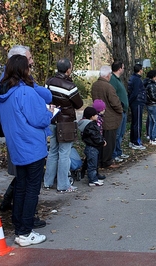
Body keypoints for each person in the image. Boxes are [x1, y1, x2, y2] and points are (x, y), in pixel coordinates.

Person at [0, 54, 51, 247]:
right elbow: (40, 119)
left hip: (17, 146)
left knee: (21, 187)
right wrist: (49, 113)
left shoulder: (3, 93)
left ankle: (19, 226)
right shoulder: (25, 92)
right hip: (32, 145)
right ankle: (25, 231)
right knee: (31, 190)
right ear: (23, 69)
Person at [43, 58, 83, 193]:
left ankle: (47, 182)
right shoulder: (70, 87)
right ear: (68, 70)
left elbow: (46, 98)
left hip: (52, 120)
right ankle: (63, 185)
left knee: (53, 152)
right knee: (64, 154)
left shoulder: (49, 82)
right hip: (66, 124)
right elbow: (79, 104)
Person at [91, 65, 123, 168]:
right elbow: (115, 102)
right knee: (109, 141)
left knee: (100, 140)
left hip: (98, 116)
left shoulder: (94, 85)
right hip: (110, 118)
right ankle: (107, 162)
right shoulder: (108, 87)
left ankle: (99, 160)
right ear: (108, 75)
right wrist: (120, 110)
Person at [78, 106, 106, 187]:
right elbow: (95, 136)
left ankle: (94, 177)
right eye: (96, 115)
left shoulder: (88, 124)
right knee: (92, 165)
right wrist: (102, 142)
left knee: (93, 163)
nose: (97, 116)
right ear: (92, 116)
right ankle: (92, 180)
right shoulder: (90, 125)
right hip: (92, 147)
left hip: (91, 146)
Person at [109, 60, 130, 163]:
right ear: (119, 68)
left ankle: (119, 152)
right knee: (117, 134)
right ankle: (114, 154)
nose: (124, 69)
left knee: (121, 133)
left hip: (123, 110)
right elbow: (113, 95)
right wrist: (119, 106)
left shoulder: (118, 79)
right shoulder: (112, 79)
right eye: (123, 67)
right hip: (118, 111)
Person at [128, 64, 147, 150]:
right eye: (142, 69)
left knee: (134, 122)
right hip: (137, 103)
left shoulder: (132, 78)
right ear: (140, 70)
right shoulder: (137, 79)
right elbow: (135, 93)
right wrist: (130, 101)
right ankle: (137, 142)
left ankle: (132, 140)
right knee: (138, 123)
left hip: (135, 103)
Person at [144, 70, 156, 145]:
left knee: (152, 121)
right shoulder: (152, 85)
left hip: (149, 104)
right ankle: (154, 137)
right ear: (154, 76)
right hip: (153, 104)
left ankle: (151, 136)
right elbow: (153, 96)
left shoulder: (147, 84)